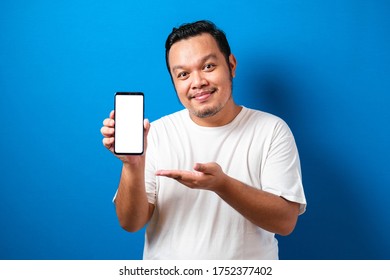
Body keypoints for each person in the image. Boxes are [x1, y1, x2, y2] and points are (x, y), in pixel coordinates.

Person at [101, 20, 306, 259]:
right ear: (174, 82)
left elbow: (285, 222)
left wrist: (222, 185)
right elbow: (130, 223)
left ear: (231, 65)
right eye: (183, 74)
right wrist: (132, 165)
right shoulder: (156, 134)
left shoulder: (272, 130)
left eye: (208, 66)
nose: (197, 82)